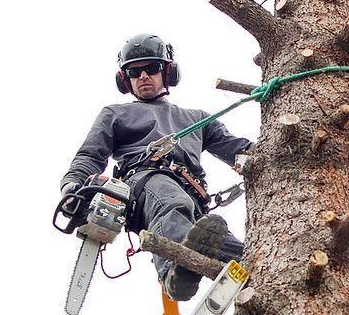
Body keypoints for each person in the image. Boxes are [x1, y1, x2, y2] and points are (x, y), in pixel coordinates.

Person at [60, 34, 252, 300]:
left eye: (151, 69)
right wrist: (72, 186)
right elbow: (90, 155)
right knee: (171, 204)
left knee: (230, 247)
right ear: (125, 79)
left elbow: (237, 148)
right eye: (134, 72)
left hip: (193, 196)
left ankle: (259, 272)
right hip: (145, 182)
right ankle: (174, 268)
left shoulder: (197, 119)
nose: (143, 77)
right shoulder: (115, 114)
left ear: (167, 72)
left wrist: (265, 152)